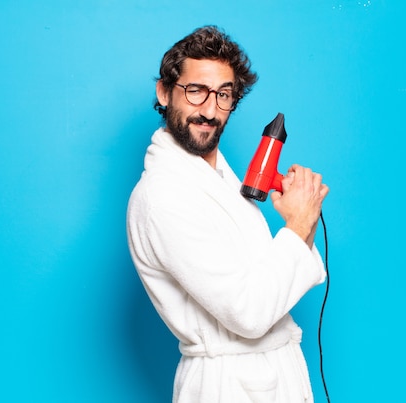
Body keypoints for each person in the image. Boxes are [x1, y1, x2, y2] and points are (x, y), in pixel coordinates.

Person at [127, 25, 329, 403]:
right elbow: (249, 314)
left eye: (223, 94)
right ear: (164, 92)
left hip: (272, 376)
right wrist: (299, 223)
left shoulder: (217, 181)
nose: (209, 110)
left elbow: (264, 279)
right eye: (196, 90)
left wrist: (304, 218)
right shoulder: (162, 196)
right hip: (227, 387)